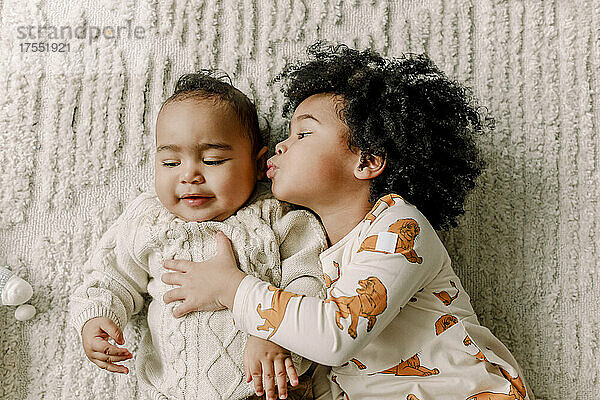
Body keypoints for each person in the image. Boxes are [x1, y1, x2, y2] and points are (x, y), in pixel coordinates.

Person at [161, 43, 535, 400]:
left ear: (366, 161)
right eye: (286, 135)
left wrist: (232, 287)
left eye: (303, 133)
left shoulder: (399, 225)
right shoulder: (310, 250)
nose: (281, 146)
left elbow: (335, 334)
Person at [69, 71, 326, 400]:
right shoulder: (148, 220)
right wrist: (98, 318)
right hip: (170, 391)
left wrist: (274, 329)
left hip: (271, 388)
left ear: (259, 164)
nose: (189, 175)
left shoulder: (278, 215)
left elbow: (312, 280)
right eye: (170, 161)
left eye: (213, 160)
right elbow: (109, 276)